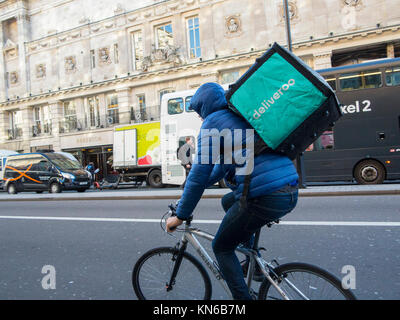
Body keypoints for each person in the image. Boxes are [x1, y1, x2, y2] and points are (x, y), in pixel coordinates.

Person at [166, 82, 299, 300]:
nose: (200, 117)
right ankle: (253, 262)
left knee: (222, 248)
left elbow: (199, 175)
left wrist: (180, 215)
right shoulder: (240, 117)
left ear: (204, 107)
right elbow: (220, 168)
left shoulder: (212, 123)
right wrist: (188, 192)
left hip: (265, 197)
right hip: (290, 189)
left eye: (199, 111)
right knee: (228, 202)